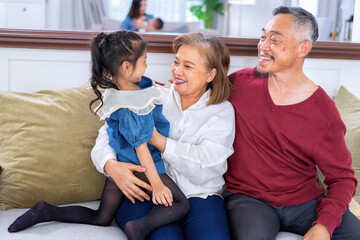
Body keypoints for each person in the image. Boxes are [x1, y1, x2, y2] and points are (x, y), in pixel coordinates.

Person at [8, 30, 190, 240]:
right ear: (126, 67)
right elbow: (141, 147)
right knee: (182, 204)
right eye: (144, 61)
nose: (147, 66)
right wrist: (157, 184)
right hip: (140, 165)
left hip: (119, 164)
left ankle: (46, 210)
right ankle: (140, 228)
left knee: (102, 217)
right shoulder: (133, 102)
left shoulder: (117, 91)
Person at [223, 6, 360, 240]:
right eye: (263, 37)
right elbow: (190, 94)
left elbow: (342, 178)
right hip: (248, 198)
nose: (263, 46)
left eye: (274, 40)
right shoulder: (238, 83)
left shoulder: (324, 112)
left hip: (304, 202)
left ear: (302, 48)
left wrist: (324, 226)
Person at [91, 32, 235, 240]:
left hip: (200, 196)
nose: (177, 70)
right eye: (176, 62)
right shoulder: (154, 96)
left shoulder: (221, 111)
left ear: (210, 75)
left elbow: (208, 166)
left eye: (188, 66)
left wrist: (158, 141)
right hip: (149, 193)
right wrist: (109, 165)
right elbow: (106, 135)